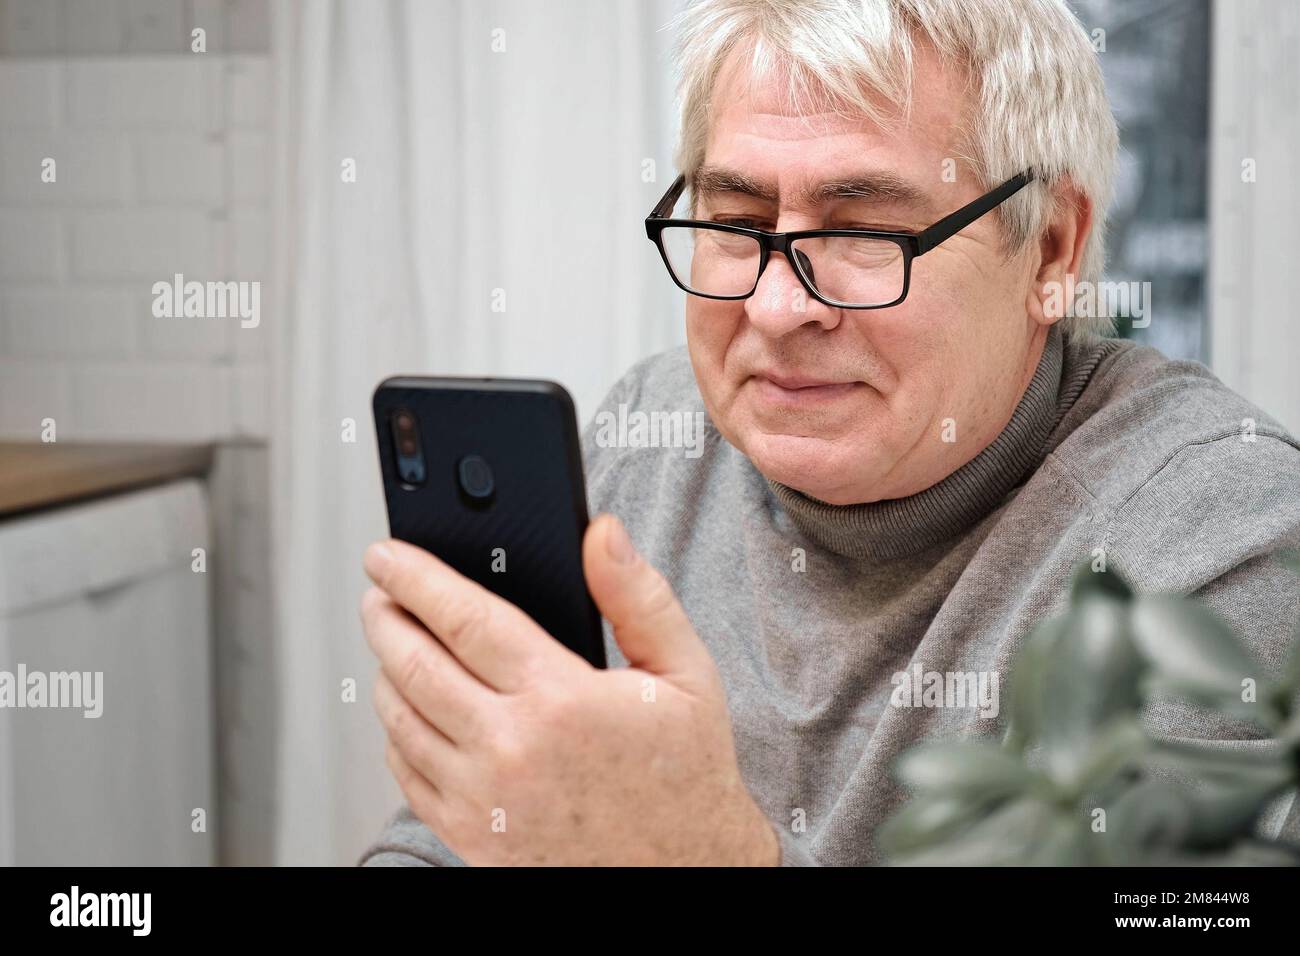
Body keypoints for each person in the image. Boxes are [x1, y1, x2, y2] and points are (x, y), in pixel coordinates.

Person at [358, 0, 1300, 865]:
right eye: (738, 220)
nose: (774, 308)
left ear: (1049, 249)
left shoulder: (1216, 533)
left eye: (862, 234)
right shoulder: (652, 435)